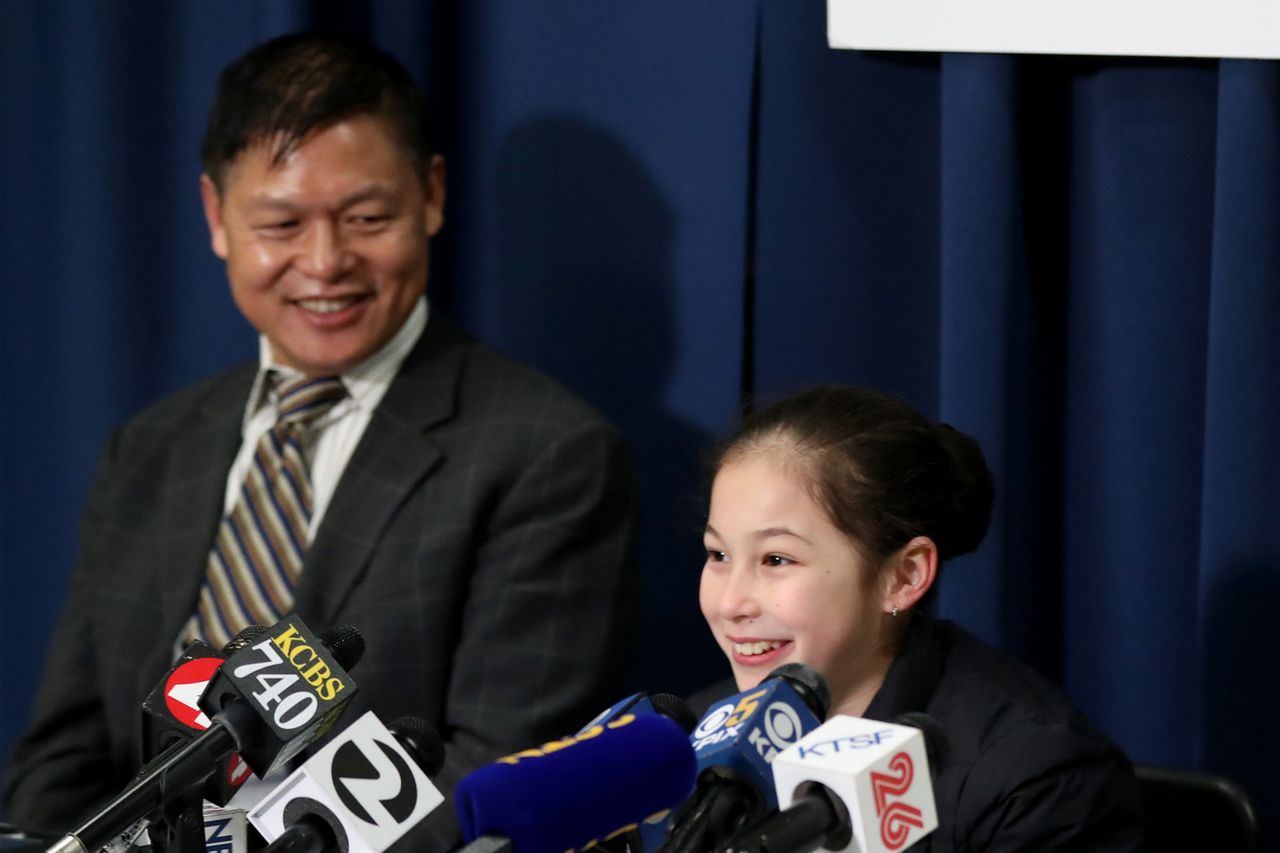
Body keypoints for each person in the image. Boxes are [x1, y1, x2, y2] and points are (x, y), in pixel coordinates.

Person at [2, 33, 636, 849]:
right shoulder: (151, 445)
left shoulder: (548, 452)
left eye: (368, 218)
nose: (326, 261)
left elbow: (494, 784)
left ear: (433, 195)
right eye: (281, 223)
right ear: (216, 217)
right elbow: (65, 754)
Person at [698, 385, 1143, 851]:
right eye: (718, 553)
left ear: (903, 577)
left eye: (776, 560)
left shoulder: (1035, 782)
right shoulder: (699, 734)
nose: (730, 604)